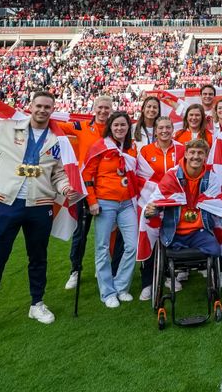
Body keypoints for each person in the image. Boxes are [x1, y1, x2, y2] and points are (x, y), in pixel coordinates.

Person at [0, 86, 75, 345]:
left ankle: (37, 303)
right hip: (7, 204)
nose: (43, 110)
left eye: (48, 107)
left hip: (40, 205)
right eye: (39, 106)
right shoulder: (6, 129)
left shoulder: (56, 140)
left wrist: (65, 186)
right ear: (30, 106)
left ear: (52, 110)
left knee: (38, 258)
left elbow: (56, 172)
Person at [143, 139, 222, 265]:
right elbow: (158, 201)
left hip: (199, 231)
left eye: (200, 153)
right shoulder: (172, 176)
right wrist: (152, 210)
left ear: (206, 157)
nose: (196, 157)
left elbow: (217, 206)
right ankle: (180, 270)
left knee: (215, 251)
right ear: (185, 154)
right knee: (169, 255)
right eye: (192, 152)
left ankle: (188, 267)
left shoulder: (211, 178)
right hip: (174, 231)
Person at [82, 112, 139, 308]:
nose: (120, 128)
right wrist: (92, 201)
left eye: (123, 125)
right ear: (110, 127)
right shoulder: (99, 146)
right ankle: (107, 293)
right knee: (103, 247)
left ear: (128, 127)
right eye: (116, 125)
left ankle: (121, 286)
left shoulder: (132, 148)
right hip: (105, 203)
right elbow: (87, 175)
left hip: (127, 203)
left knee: (133, 245)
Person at [60, 95, 113, 290]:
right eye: (100, 107)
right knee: (80, 231)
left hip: (107, 188)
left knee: (108, 232)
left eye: (107, 108)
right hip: (84, 187)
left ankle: (107, 268)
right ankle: (75, 269)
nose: (103, 111)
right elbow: (58, 127)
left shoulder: (114, 130)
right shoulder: (81, 126)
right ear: (94, 108)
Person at [136, 117, 184, 300]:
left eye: (168, 128)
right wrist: (157, 192)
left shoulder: (181, 148)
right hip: (152, 203)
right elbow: (140, 177)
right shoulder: (146, 151)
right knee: (150, 240)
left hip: (175, 203)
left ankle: (167, 275)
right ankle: (147, 282)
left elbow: (186, 173)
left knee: (170, 238)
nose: (164, 131)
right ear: (155, 131)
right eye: (161, 128)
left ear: (173, 129)